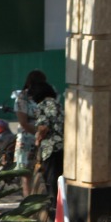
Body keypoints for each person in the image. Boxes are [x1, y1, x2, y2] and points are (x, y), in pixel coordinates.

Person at [30, 74, 64, 203]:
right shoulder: (57, 104)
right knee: (59, 178)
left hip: (50, 148)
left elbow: (43, 127)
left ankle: (54, 208)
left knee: (51, 180)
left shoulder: (42, 105)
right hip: (62, 146)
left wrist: (38, 140)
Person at [14, 70, 47, 199]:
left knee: (40, 171)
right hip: (27, 138)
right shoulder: (22, 98)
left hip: (43, 137)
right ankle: (28, 202)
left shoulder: (45, 96)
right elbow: (23, 122)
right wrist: (38, 132)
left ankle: (38, 200)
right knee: (26, 173)